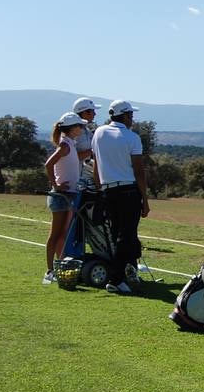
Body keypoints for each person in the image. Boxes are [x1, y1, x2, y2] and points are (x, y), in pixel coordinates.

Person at [91, 99, 150, 294]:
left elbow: (96, 165)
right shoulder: (132, 138)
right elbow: (139, 171)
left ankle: (128, 273)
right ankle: (116, 279)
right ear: (124, 116)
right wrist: (145, 200)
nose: (132, 118)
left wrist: (100, 189)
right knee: (126, 237)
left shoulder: (99, 133)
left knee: (120, 235)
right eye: (131, 115)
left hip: (108, 191)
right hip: (128, 192)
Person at [42, 112, 87, 284]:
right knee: (55, 234)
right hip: (61, 196)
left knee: (63, 234)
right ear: (72, 128)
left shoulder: (70, 144)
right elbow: (49, 164)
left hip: (69, 195)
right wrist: (56, 185)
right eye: (80, 126)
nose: (81, 128)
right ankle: (49, 271)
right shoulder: (65, 146)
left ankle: (59, 267)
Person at [70, 97, 100, 176]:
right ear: (84, 113)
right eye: (92, 111)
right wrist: (93, 150)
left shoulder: (86, 130)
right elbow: (70, 157)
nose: (95, 114)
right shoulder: (74, 133)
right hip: (74, 176)